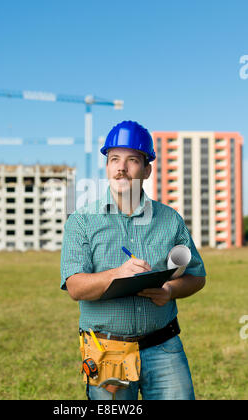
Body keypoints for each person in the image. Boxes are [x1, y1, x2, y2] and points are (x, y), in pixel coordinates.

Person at [60, 120, 206, 400]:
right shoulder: (81, 221)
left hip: (165, 347)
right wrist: (118, 274)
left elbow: (197, 276)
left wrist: (170, 291)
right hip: (107, 353)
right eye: (114, 159)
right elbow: (76, 287)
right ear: (106, 166)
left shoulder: (170, 219)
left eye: (132, 160)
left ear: (147, 169)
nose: (121, 168)